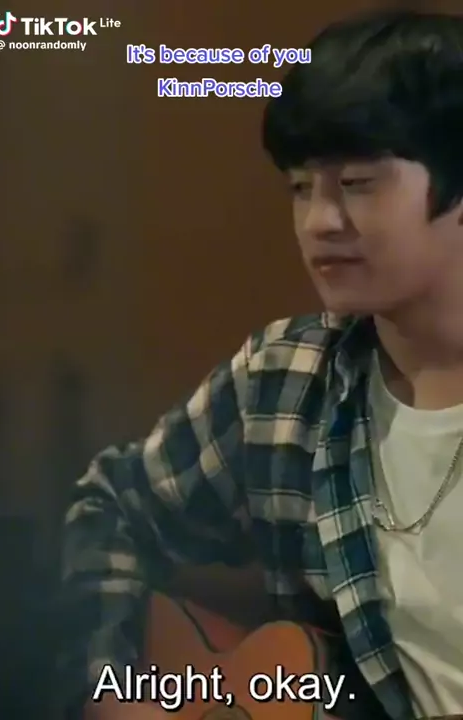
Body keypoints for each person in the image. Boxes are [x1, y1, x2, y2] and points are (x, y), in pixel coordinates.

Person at [59, 9, 463, 720]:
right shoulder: (286, 379)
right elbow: (111, 507)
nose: (319, 222)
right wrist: (110, 691)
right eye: (301, 189)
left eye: (357, 184)